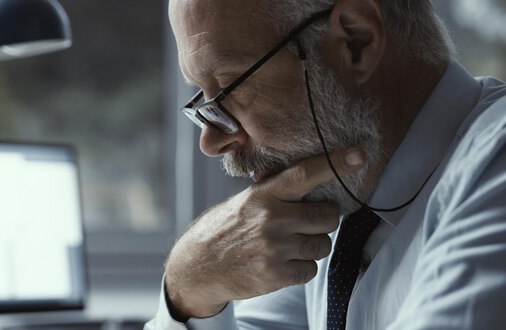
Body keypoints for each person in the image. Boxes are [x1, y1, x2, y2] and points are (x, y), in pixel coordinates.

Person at [146, 0, 506, 329]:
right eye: (202, 98)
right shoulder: (334, 198)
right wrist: (188, 286)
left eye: (230, 88)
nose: (210, 142)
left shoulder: (495, 171)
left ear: (356, 43)